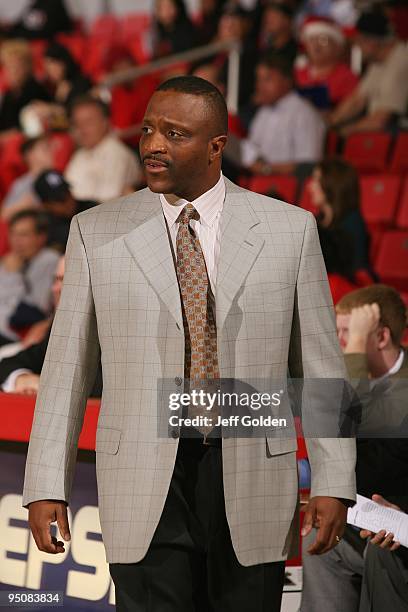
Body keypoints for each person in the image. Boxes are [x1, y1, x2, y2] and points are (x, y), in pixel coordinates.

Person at [22, 75, 356, 612]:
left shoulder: (290, 229)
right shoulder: (95, 231)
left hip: (252, 470)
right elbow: (65, 372)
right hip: (141, 476)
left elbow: (322, 369)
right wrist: (44, 484)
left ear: (216, 147)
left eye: (174, 134)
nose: (153, 144)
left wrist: (334, 479)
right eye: (150, 128)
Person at [301, 284, 408, 612]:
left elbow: (374, 462)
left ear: (381, 337)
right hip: (369, 520)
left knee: (381, 549)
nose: (340, 345)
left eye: (349, 333)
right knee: (321, 537)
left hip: (399, 524)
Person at [0, 254, 103, 398]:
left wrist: (45, 386)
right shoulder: (62, 326)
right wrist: (22, 378)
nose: (55, 289)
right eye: (56, 279)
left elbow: (101, 392)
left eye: (64, 280)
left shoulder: (113, 333)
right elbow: (9, 364)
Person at [240, 53, 326, 174]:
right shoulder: (263, 112)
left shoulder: (304, 113)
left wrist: (267, 169)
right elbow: (252, 151)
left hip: (290, 187)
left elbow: (309, 166)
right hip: (260, 183)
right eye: (259, 80)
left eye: (267, 79)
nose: (260, 86)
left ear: (287, 81)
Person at [329, 9, 408, 136]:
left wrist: (342, 133)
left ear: (372, 41)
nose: (356, 46)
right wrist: (329, 123)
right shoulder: (378, 60)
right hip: (385, 133)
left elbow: (381, 120)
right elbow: (357, 100)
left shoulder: (402, 61)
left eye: (358, 40)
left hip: (399, 135)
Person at [64, 95, 141, 202]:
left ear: (105, 123)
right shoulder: (79, 155)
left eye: (88, 122)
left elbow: (107, 200)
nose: (81, 129)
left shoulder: (117, 154)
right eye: (77, 124)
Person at [0, 210, 59, 345]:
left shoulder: (48, 260)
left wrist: (13, 276)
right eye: (13, 234)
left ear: (41, 237)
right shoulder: (13, 259)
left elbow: (34, 310)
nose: (16, 241)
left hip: (16, 335)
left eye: (23, 235)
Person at [309, 158, 371, 273]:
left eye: (317, 179)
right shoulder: (315, 221)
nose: (310, 186)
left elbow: (356, 269)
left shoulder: (352, 223)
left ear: (333, 182)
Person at [296, 16, 359, 110]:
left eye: (323, 40)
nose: (316, 45)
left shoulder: (347, 77)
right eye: (311, 40)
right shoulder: (296, 74)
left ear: (337, 47)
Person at [33, 170, 97, 252]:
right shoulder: (43, 227)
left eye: (67, 192)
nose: (68, 200)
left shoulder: (91, 208)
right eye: (60, 199)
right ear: (46, 205)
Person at [0, 40, 50, 135]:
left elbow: (29, 129)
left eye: (17, 66)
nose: (13, 71)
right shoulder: (8, 94)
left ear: (28, 67)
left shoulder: (36, 91)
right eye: (9, 66)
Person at [1, 136, 53, 221]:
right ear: (30, 155)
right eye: (44, 149)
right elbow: (4, 214)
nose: (50, 153)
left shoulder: (56, 176)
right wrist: (23, 205)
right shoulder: (22, 184)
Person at [2, 0, 73, 40]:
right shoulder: (35, 4)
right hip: (25, 38)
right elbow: (24, 22)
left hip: (52, 43)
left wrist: (13, 34)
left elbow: (45, 31)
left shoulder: (52, 4)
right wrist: (10, 28)